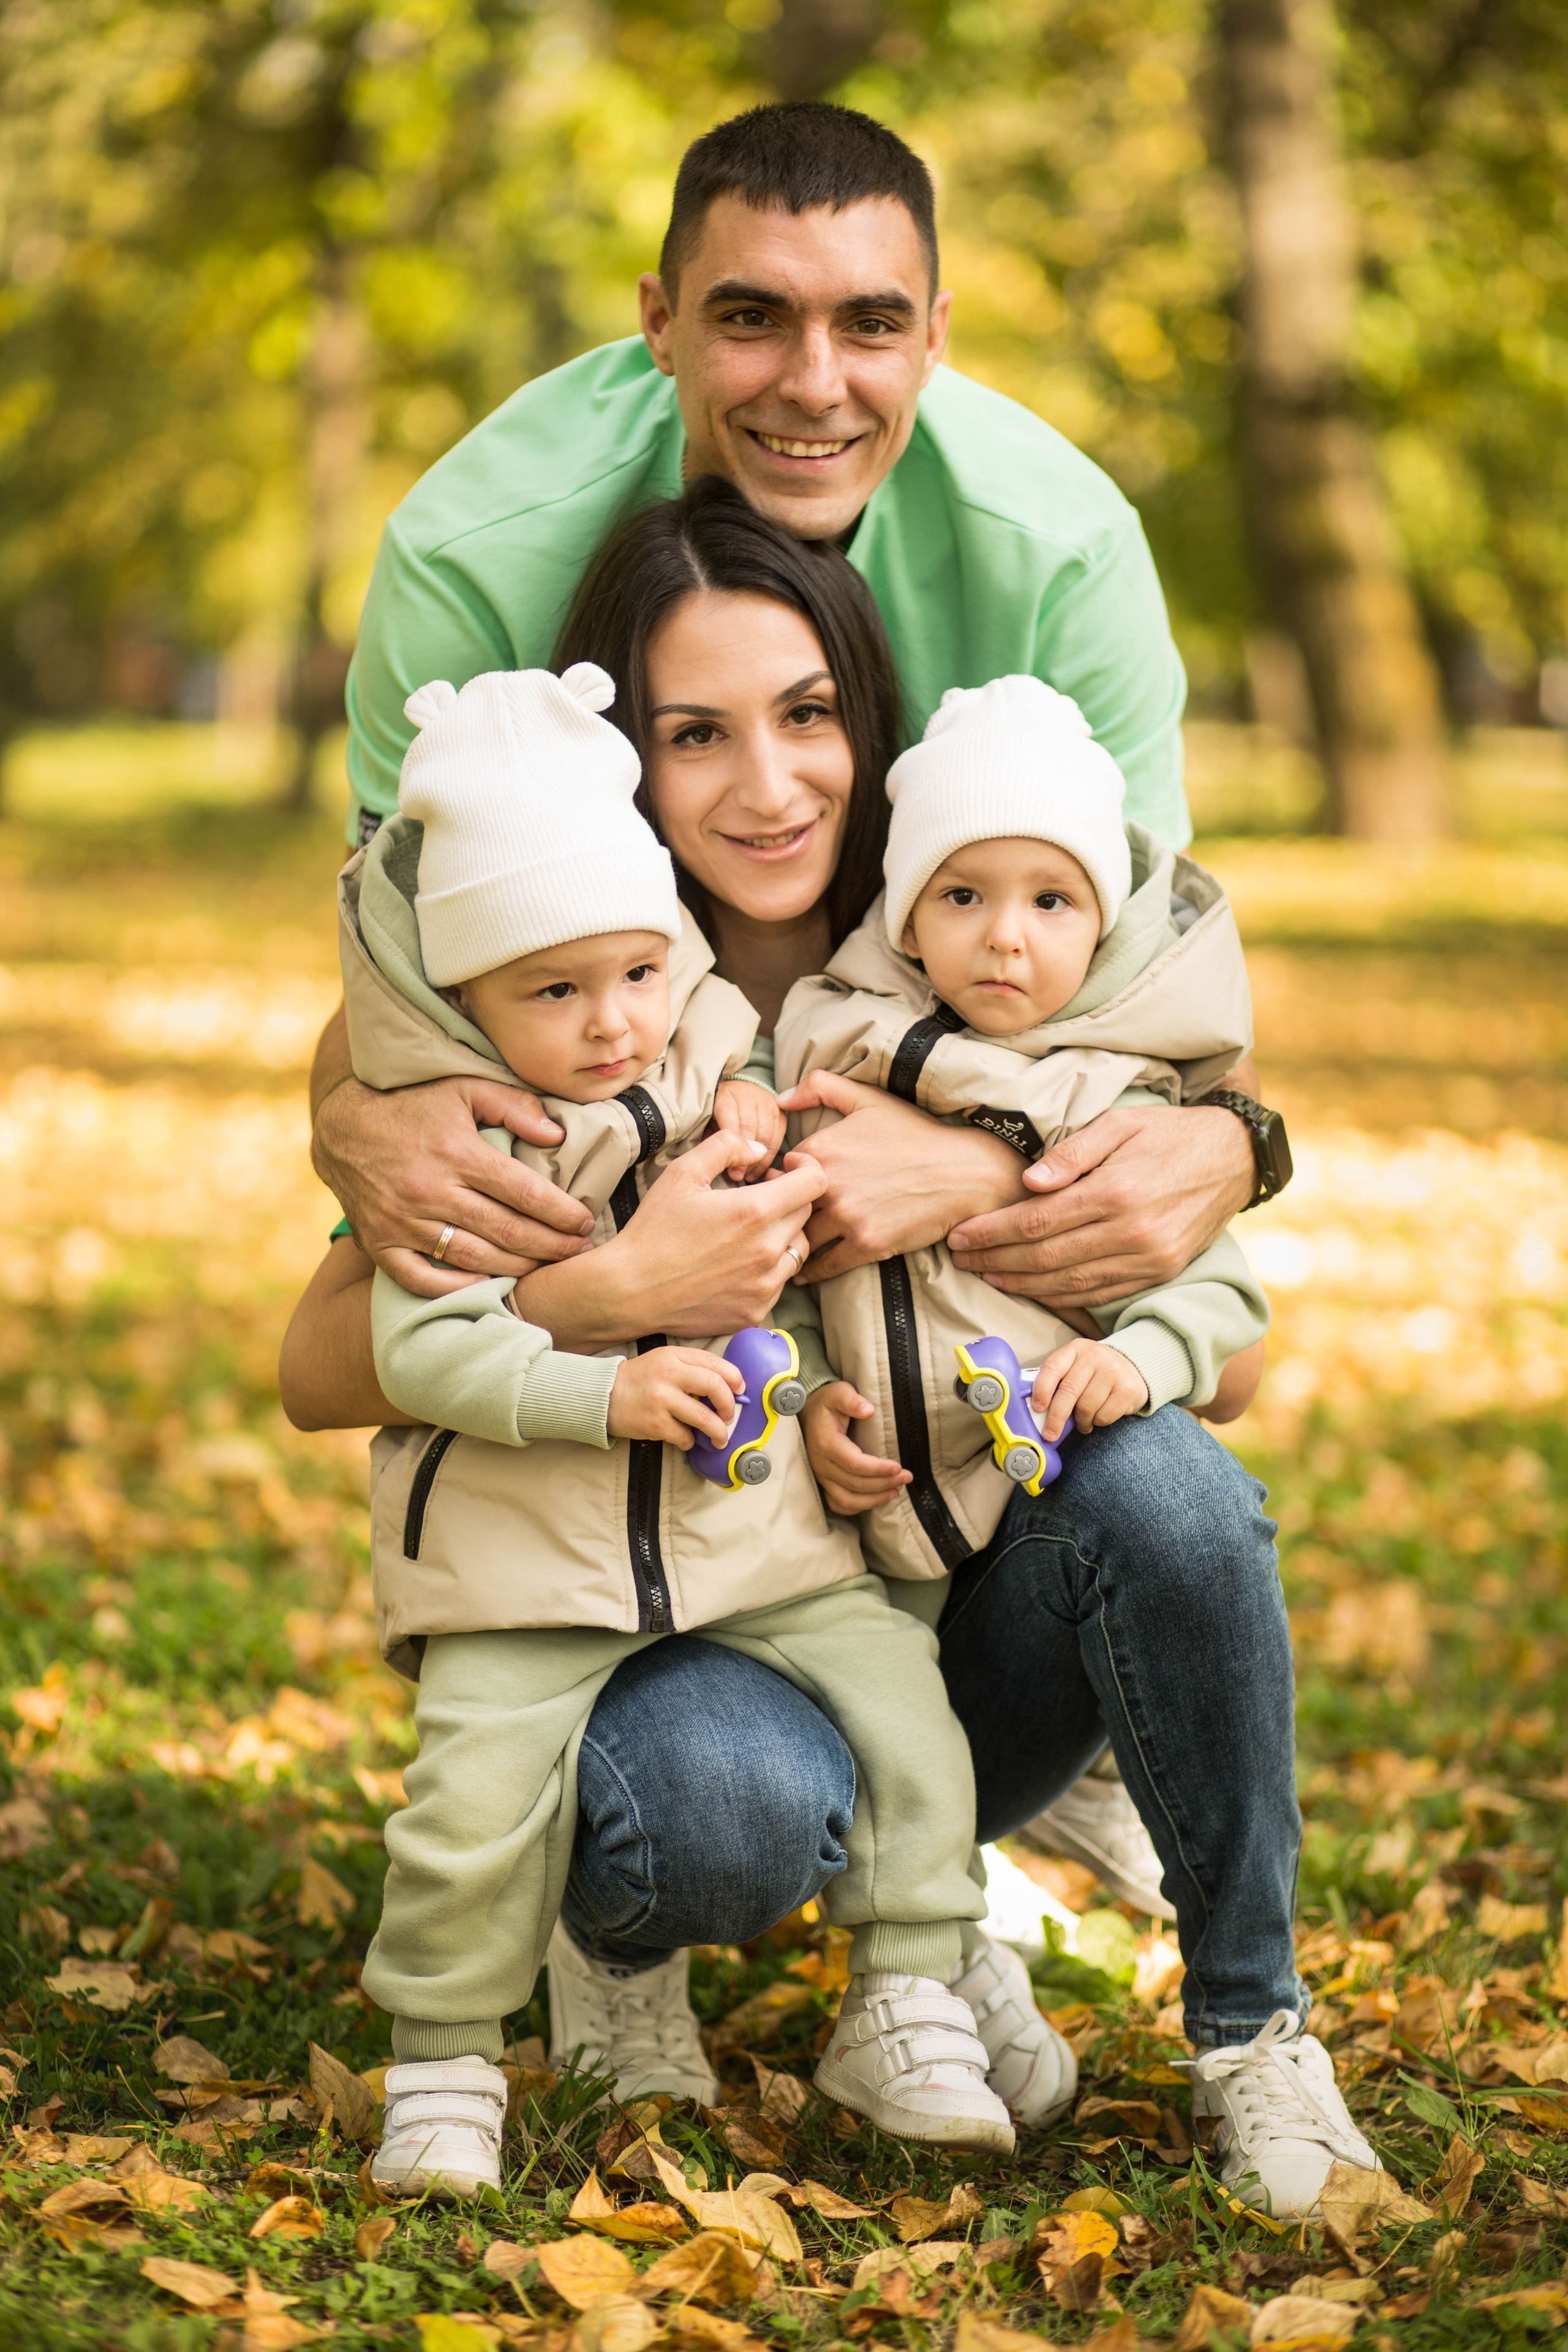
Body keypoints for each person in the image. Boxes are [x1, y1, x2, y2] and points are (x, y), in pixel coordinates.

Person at [286, 479, 1382, 2218]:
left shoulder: (991, 946)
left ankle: (1242, 2034)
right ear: (621, 767)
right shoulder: (559, 994)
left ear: (869, 730)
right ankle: (626, 1924)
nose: (769, 780)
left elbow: (1226, 1364)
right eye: (694, 732)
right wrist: (623, 1285)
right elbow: (318, 1365)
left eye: (807, 717)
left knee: (1177, 1497)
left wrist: (989, 1173)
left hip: (942, 1602)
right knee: (708, 1812)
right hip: (680, 1625)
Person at [310, 94, 1273, 1926]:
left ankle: (1003, 1783)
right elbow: (398, 1030)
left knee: (1167, 1485)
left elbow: (1146, 1048)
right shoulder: (478, 552)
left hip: (917, 1425)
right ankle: (640, 1778)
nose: (814, 381)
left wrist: (1146, 1152)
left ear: (938, 327)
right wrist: (378, 1146)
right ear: (657, 316)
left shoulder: (1059, 550)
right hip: (649, 1494)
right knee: (717, 1817)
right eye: (751, 316)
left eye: (872, 324)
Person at [778, 673, 1270, 1579]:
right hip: (859, 1552)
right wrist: (808, 1391)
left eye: (1051, 902)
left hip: (1036, 1513)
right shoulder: (826, 1051)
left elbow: (1221, 1297)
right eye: (963, 896)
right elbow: (783, 1269)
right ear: (909, 925)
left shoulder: (1113, 1095)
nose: (1006, 936)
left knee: (1178, 1499)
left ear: (1100, 931)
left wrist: (1141, 1359)